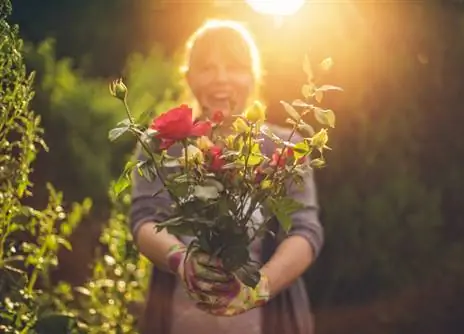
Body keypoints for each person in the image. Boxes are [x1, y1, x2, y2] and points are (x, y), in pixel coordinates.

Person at [129, 19, 324, 334]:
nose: (221, 78)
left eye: (234, 66)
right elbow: (143, 219)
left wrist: (259, 286)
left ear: (254, 76)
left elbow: (304, 232)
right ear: (189, 77)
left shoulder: (287, 148)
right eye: (207, 67)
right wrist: (183, 261)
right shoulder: (160, 145)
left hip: (265, 321)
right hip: (180, 319)